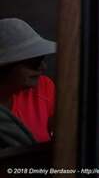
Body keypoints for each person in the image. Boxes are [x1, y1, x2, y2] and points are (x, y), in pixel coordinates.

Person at [0, 18, 56, 148]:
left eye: (42, 58)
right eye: (34, 62)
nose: (43, 67)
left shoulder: (44, 87)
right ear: (5, 67)